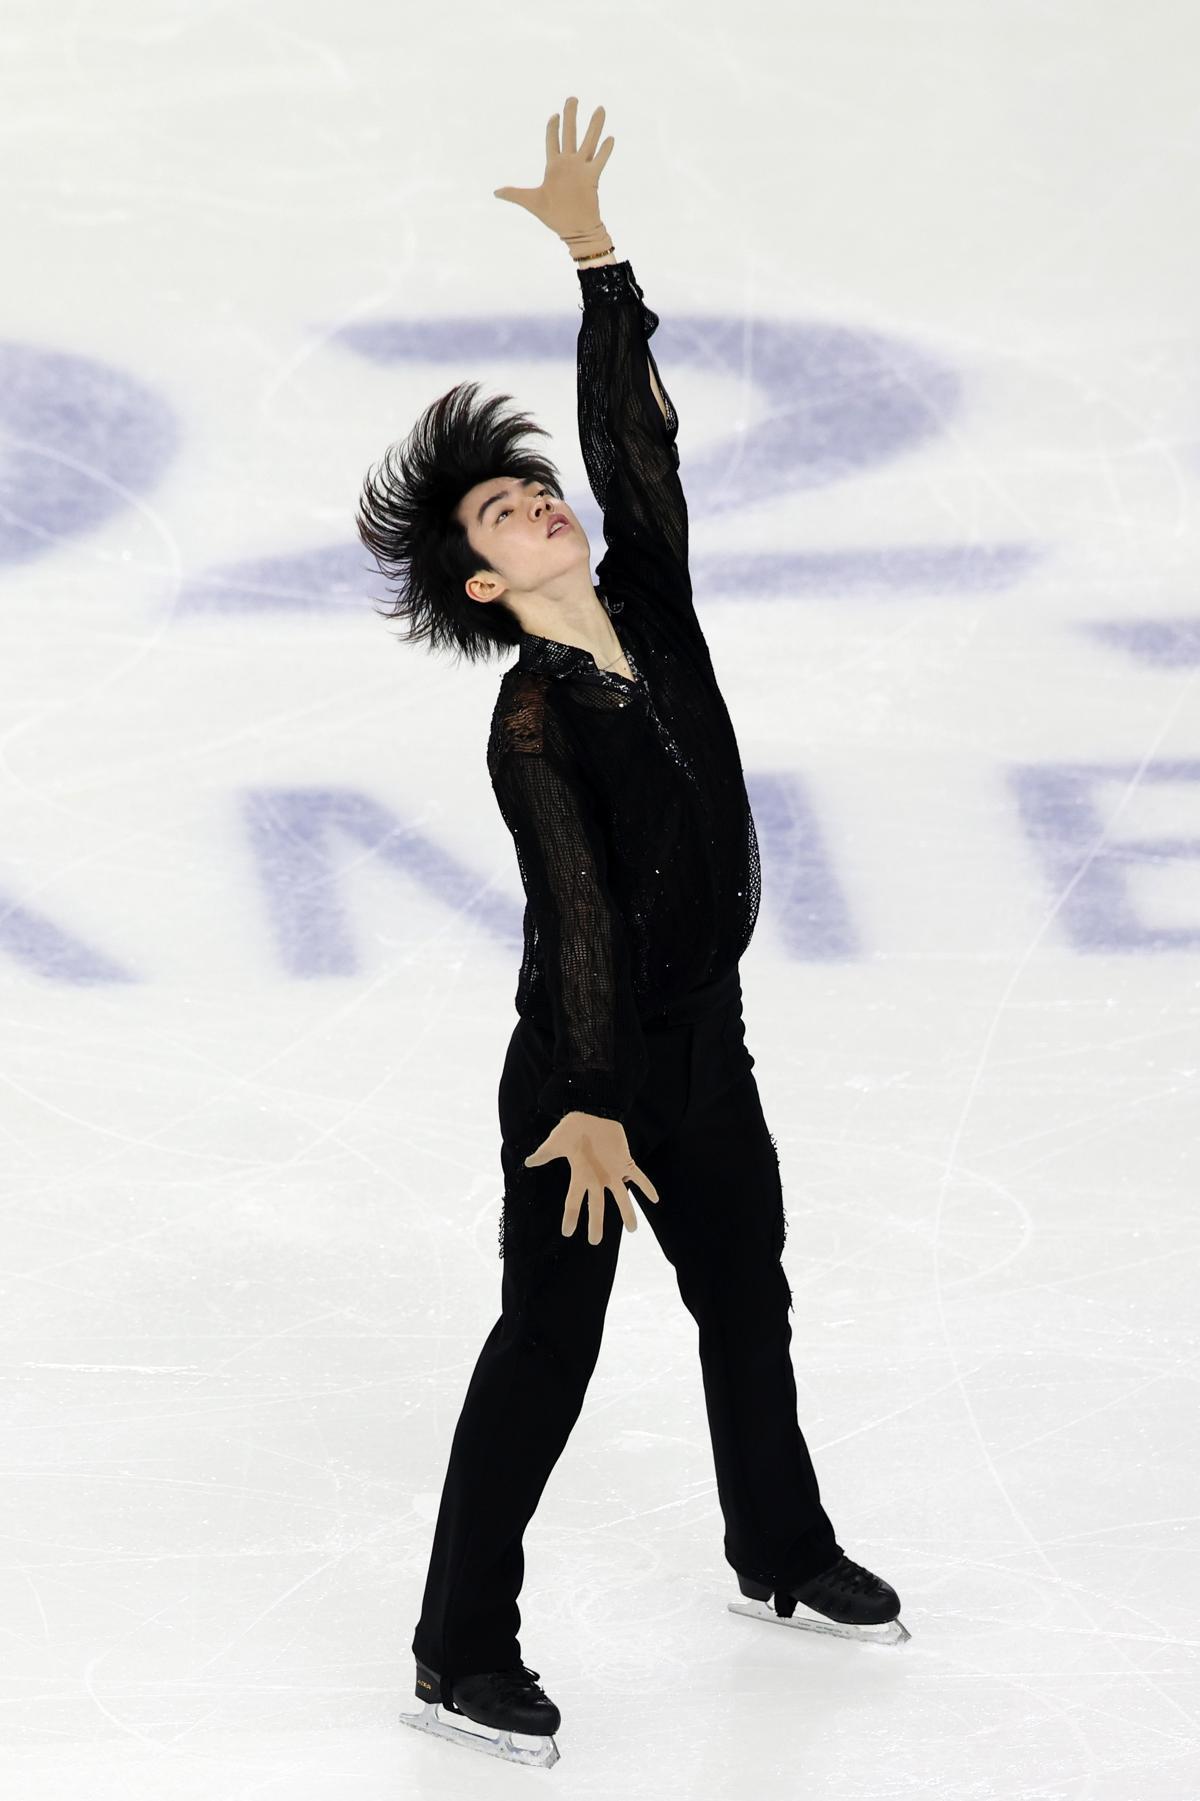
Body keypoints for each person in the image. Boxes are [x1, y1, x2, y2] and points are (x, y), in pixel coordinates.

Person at [356, 96, 905, 1770]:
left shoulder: (653, 608)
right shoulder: (532, 722)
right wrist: (593, 1098)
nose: (538, 503)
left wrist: (599, 263)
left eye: (535, 488)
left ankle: (779, 1546)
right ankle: (459, 1650)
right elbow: (577, 914)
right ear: (480, 586)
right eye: (502, 514)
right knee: (548, 1349)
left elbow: (635, 451)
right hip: (578, 1084)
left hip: (703, 1045)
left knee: (749, 1296)